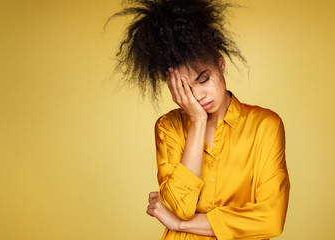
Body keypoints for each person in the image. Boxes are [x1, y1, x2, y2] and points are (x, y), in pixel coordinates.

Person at [105, 0, 290, 239]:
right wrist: (197, 122)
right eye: (185, 89)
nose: (198, 96)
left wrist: (180, 225)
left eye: (203, 79)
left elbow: (270, 220)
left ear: (220, 63)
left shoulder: (265, 125)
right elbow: (178, 207)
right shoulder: (167, 127)